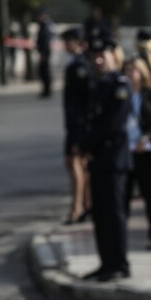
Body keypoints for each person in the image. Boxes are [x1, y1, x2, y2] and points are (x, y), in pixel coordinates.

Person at [79, 35, 132, 282]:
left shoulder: (120, 83)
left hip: (113, 160)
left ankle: (119, 264)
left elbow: (112, 124)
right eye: (95, 56)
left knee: (114, 213)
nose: (98, 60)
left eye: (103, 55)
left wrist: (88, 143)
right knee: (100, 214)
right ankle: (106, 263)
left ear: (113, 55)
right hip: (99, 159)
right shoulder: (99, 84)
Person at [122, 56, 151, 251]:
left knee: (149, 194)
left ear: (141, 72)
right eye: (126, 71)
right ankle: (120, 237)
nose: (130, 74)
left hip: (146, 150)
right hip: (125, 150)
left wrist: (147, 137)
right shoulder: (121, 93)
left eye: (133, 70)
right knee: (122, 196)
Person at [61, 27, 91, 225]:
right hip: (75, 124)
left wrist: (80, 129)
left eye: (68, 41)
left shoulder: (80, 66)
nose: (65, 45)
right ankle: (87, 205)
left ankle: (78, 207)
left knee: (75, 164)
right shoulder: (77, 63)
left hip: (79, 125)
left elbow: (85, 101)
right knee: (77, 164)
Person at [36, 9, 54, 98]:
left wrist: (43, 53)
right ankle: (46, 90)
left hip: (45, 52)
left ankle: (47, 90)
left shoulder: (46, 26)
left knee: (45, 71)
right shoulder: (43, 25)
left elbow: (45, 41)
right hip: (43, 52)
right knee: (43, 71)